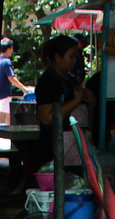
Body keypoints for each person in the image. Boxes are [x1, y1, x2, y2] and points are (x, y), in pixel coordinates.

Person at [28, 35, 95, 176]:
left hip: (78, 155)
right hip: (56, 154)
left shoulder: (71, 81)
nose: (74, 61)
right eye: (71, 57)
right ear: (58, 57)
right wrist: (76, 101)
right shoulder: (48, 82)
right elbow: (46, 117)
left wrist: (91, 104)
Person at [0, 38, 28, 112]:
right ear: (9, 48)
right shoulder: (6, 62)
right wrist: (23, 88)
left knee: (8, 117)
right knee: (1, 115)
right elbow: (11, 78)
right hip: (5, 95)